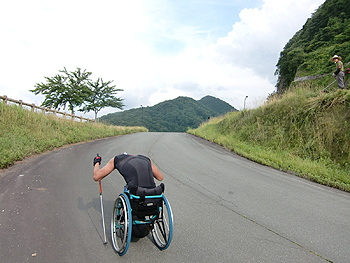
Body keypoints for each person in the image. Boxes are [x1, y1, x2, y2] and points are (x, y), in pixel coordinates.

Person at [93, 153, 164, 238]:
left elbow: (96, 177)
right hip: (153, 197)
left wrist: (97, 162)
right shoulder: (145, 159)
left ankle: (126, 217)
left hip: (137, 198)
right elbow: (160, 177)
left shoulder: (117, 159)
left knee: (129, 190)